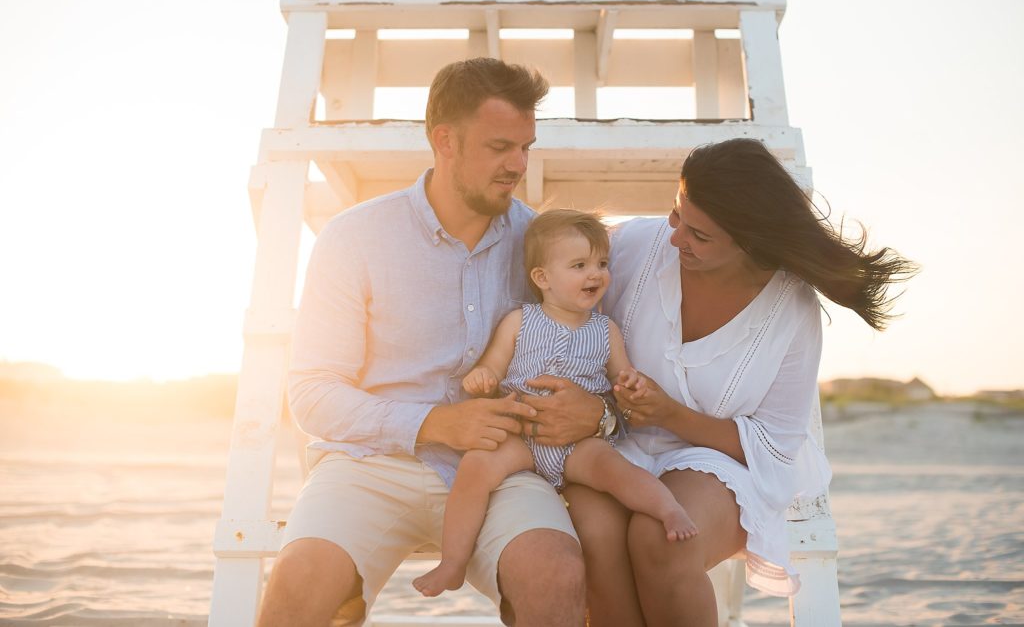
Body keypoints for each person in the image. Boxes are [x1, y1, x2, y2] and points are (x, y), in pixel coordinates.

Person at [257, 58, 602, 627]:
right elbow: (313, 395)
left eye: (526, 147)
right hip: (370, 464)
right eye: (499, 147)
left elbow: (596, 357)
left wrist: (599, 415)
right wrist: (434, 424)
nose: (518, 165)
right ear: (445, 140)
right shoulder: (354, 238)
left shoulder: (543, 244)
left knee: (556, 573)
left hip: (503, 469)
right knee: (300, 584)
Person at [563, 137, 917, 626]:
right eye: (676, 215)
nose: (675, 238)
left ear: (750, 240)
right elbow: (558, 321)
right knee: (596, 536)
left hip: (721, 461)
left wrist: (671, 415)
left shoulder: (791, 311)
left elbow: (773, 446)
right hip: (612, 444)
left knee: (661, 538)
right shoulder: (631, 248)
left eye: (699, 236)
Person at [412, 209, 697, 598]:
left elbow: (622, 378)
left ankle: (668, 510)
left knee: (615, 469)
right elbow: (493, 366)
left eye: (601, 263)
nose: (595, 274)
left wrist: (630, 381)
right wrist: (484, 378)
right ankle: (453, 561)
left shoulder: (605, 329)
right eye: (579, 265)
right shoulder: (520, 321)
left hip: (578, 444)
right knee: (476, 467)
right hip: (520, 435)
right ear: (542, 279)